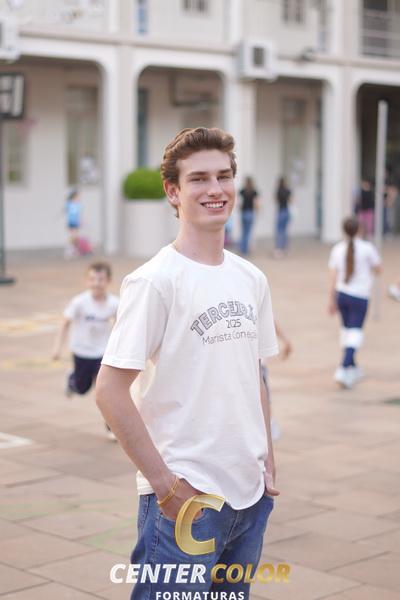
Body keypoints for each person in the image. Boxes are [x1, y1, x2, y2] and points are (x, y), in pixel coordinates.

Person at [96, 127, 280, 599]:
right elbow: (110, 391)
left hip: (249, 497)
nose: (215, 189)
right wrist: (166, 486)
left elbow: (255, 375)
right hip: (186, 501)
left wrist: (267, 464)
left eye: (223, 176)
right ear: (173, 192)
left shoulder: (251, 278)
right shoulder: (155, 281)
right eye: (198, 179)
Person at [52, 262, 119, 437]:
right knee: (81, 388)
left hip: (102, 353)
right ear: (87, 281)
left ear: (108, 281)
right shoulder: (79, 302)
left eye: (101, 279)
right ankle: (72, 380)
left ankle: (110, 427)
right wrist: (57, 347)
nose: (96, 283)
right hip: (81, 352)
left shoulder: (114, 303)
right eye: (92, 279)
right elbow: (65, 323)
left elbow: (122, 324)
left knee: (104, 392)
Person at [328, 217, 381, 389]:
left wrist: (331, 298)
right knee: (355, 332)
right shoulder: (367, 248)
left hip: (342, 294)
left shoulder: (337, 249)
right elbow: (378, 268)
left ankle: (352, 365)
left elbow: (333, 276)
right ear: (359, 229)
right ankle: (344, 367)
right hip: (359, 296)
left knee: (346, 331)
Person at [239, 176, 259, 255]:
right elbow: (256, 203)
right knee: (248, 232)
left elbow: (240, 203)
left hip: (243, 213)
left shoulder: (242, 191)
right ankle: (246, 250)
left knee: (243, 232)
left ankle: (242, 249)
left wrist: (240, 209)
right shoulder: (254, 191)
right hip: (250, 213)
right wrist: (257, 211)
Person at [274, 176, 291, 258]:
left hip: (280, 211)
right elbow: (291, 200)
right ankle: (284, 248)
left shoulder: (278, 190)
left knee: (279, 231)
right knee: (284, 231)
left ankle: (279, 249)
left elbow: (275, 200)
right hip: (286, 211)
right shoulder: (287, 190)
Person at [64, 188, 82, 259]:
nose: (78, 197)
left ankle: (74, 251)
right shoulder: (69, 203)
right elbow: (67, 211)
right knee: (72, 237)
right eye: (76, 196)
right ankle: (69, 251)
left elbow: (78, 214)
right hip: (71, 222)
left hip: (76, 223)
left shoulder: (78, 204)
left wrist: (80, 221)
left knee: (76, 238)